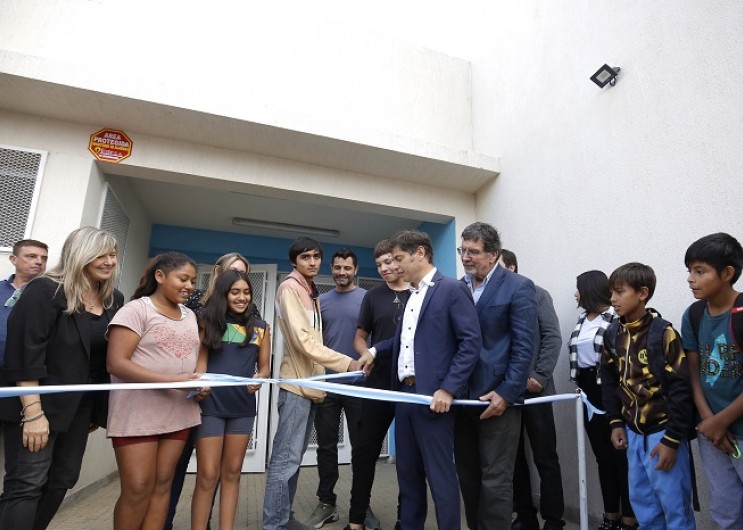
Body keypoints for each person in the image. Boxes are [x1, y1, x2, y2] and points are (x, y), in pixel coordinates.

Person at [0, 227, 123, 530]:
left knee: (62, 479)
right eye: (101, 255)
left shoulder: (113, 299)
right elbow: (25, 355)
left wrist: (94, 409)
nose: (110, 261)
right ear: (80, 255)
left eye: (113, 255)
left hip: (79, 408)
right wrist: (33, 414)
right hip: (36, 404)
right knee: (27, 482)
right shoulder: (44, 290)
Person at [370, 229, 481, 530]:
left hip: (433, 399)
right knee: (407, 476)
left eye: (399, 259)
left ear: (419, 253)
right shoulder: (410, 296)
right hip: (404, 397)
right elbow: (405, 340)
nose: (394, 266)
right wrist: (373, 351)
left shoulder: (452, 290)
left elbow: (470, 343)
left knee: (440, 477)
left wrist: (448, 389)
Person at [262, 237, 372, 530]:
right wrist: (347, 362)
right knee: (285, 460)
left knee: (293, 459)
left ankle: (284, 519)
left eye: (315, 257)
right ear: (294, 261)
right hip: (298, 386)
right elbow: (304, 342)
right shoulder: (291, 289)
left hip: (313, 387)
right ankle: (275, 523)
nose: (312, 262)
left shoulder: (308, 291)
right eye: (305, 257)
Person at [106, 252, 209, 530]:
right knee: (137, 487)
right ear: (160, 276)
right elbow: (116, 363)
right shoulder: (136, 310)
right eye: (183, 279)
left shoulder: (190, 316)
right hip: (137, 415)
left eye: (193, 281)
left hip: (179, 413)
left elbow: (192, 361)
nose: (189, 286)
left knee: (163, 484)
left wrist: (196, 385)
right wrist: (172, 381)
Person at [451, 224, 537, 530]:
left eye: (473, 252)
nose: (466, 257)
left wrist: (507, 392)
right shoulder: (456, 288)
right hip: (461, 401)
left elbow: (524, 346)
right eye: (463, 250)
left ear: (493, 254)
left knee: (496, 480)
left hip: (498, 401)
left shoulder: (518, 286)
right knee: (469, 478)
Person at [601, 263, 695, 530]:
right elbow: (609, 381)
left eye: (620, 292)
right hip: (633, 433)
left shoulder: (663, 333)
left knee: (675, 508)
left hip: (663, 434)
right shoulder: (612, 334)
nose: (613, 299)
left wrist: (672, 439)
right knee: (644, 507)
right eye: (612, 292)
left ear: (642, 293)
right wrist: (615, 422)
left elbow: (681, 388)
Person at [165, 251, 252, 530]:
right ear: (217, 273)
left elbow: (247, 355)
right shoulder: (192, 304)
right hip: (184, 399)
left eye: (243, 275)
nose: (237, 280)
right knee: (176, 468)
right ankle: (164, 523)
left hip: (223, 405)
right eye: (231, 272)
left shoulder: (251, 318)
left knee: (215, 473)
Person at [192, 270, 270, 530]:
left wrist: (259, 378)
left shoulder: (261, 327)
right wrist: (199, 384)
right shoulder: (206, 321)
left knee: (233, 473)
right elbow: (201, 363)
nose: (242, 297)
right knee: (207, 475)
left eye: (246, 292)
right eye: (235, 292)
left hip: (242, 408)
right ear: (223, 294)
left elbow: (265, 368)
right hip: (210, 406)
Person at [499, 249, 565, 530]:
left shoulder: (538, 295)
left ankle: (554, 519)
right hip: (505, 394)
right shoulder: (493, 299)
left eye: (499, 266)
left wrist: (540, 375)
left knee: (545, 456)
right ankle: (525, 515)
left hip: (536, 391)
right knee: (513, 459)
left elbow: (552, 336)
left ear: (512, 267)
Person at [681, 233, 743, 530]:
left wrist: (722, 421)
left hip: (735, 428)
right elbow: (694, 372)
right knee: (724, 511)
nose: (691, 279)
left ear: (727, 273)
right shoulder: (694, 315)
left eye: (700, 271)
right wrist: (709, 420)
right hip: (712, 433)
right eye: (689, 271)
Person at [348, 239, 409, 530]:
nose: (384, 268)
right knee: (364, 453)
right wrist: (366, 355)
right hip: (377, 384)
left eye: (389, 262)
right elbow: (360, 337)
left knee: (409, 457)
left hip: (410, 386)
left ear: (401, 259)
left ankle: (405, 519)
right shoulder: (373, 296)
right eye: (379, 264)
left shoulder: (419, 292)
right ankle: (356, 520)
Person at [568, 271, 636, 530]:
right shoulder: (582, 320)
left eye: (579, 288)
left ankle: (629, 520)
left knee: (622, 458)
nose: (576, 294)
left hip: (610, 391)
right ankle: (610, 517)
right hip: (587, 395)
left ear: (590, 289)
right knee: (602, 458)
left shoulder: (615, 318)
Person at [307, 249, 366, 529]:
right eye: (338, 267)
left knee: (362, 449)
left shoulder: (367, 299)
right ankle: (326, 503)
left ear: (356, 270)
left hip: (360, 387)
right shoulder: (321, 302)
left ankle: (361, 506)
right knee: (326, 447)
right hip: (327, 387)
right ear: (331, 268)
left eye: (347, 268)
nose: (342, 272)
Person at [0, 239, 49, 367]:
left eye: (44, 258)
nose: (39, 262)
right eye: (31, 256)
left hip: (27, 369)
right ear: (13, 259)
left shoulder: (52, 295)